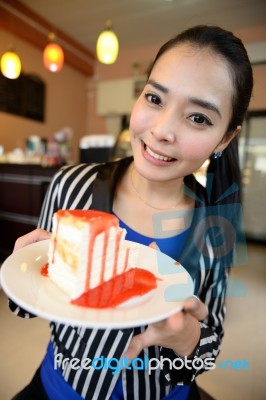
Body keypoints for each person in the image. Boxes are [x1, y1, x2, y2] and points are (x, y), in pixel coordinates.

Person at [9, 25, 253, 400]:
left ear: (224, 138)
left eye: (199, 118)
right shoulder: (70, 186)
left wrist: (186, 337)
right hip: (60, 388)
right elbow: (30, 304)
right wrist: (22, 270)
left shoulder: (217, 223)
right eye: (155, 98)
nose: (161, 130)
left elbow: (207, 348)